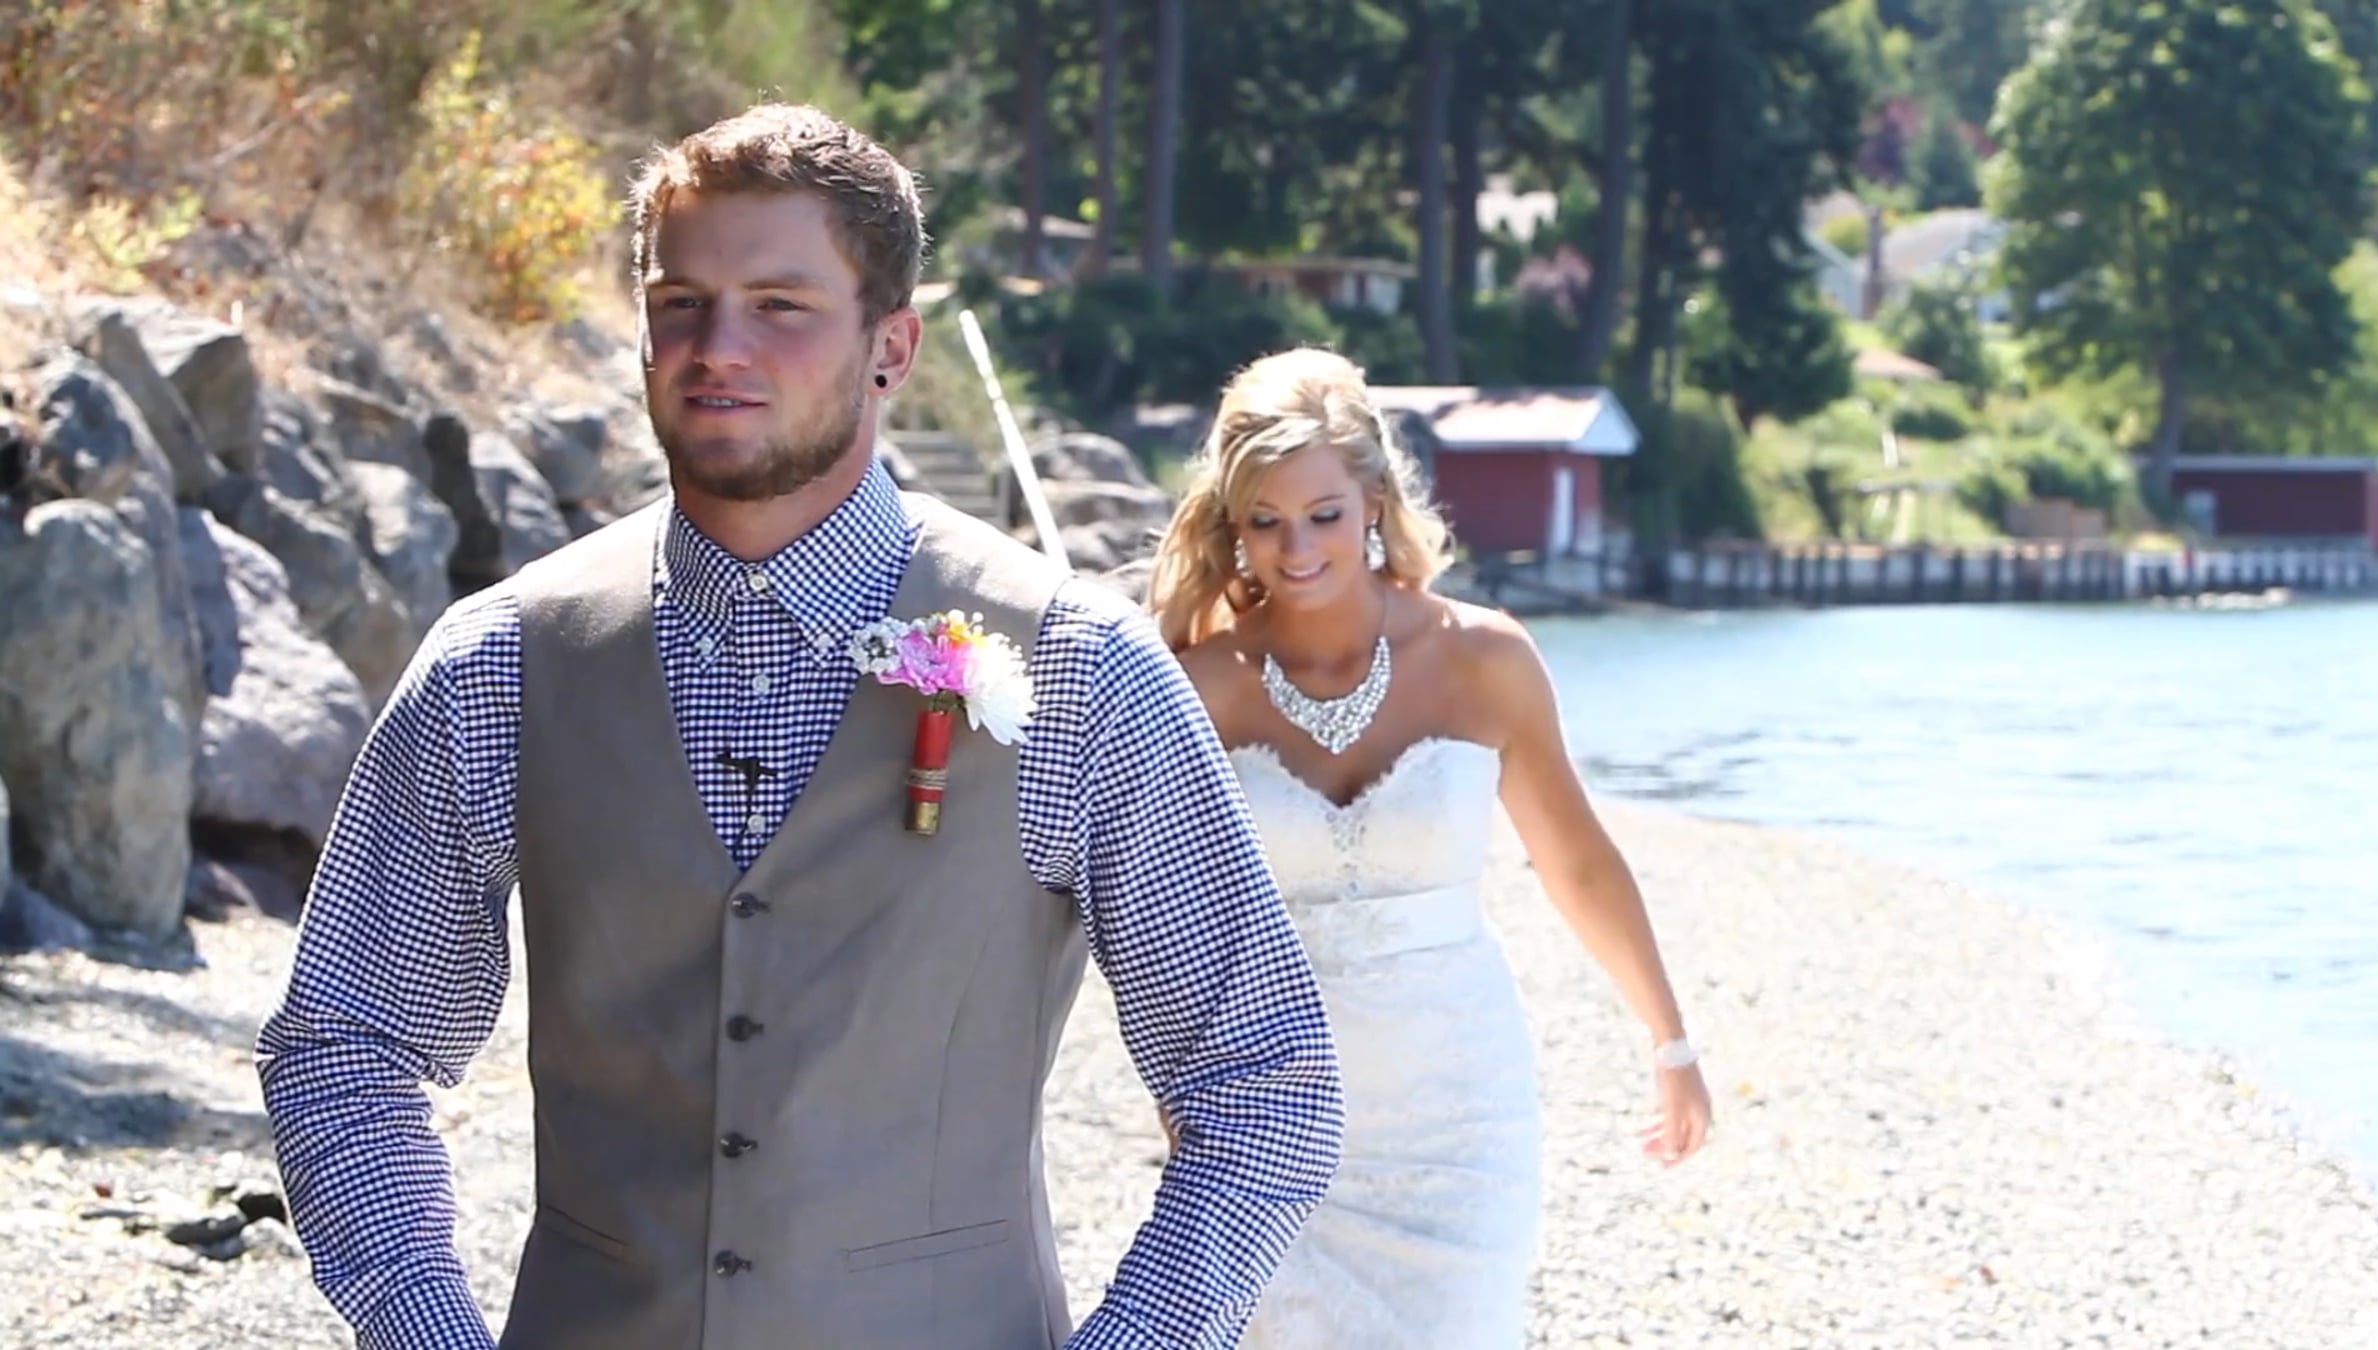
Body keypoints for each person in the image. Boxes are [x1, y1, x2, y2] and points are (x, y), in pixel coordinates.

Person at [254, 103, 1344, 1350]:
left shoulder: (1080, 667)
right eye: (680, 303)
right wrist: (425, 1327)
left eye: (779, 305)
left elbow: (1263, 1081)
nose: (717, 347)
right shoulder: (500, 661)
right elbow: (344, 1042)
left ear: (892, 348)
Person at [1145, 347, 1713, 1348]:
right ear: (1233, 526)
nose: (1297, 548)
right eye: (1265, 522)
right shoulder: (1201, 686)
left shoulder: (1483, 658)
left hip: (1460, 1110)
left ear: (1373, 500)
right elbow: (1158, 923)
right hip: (1271, 1110)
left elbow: (1577, 861)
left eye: (1323, 514)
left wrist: (1671, 1040)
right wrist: (1181, 1096)